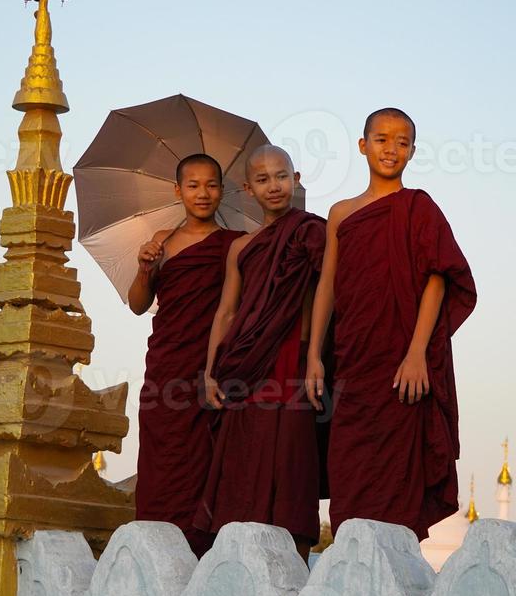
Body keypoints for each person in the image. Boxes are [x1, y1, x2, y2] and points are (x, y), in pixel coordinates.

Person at [306, 108, 476, 542]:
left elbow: (437, 278)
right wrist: (313, 357)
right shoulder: (341, 213)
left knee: (396, 480)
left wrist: (418, 353)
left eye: (402, 142)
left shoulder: (418, 207)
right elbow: (327, 285)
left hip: (401, 365)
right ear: (363, 146)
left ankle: (394, 572)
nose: (391, 149)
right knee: (349, 468)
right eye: (382, 139)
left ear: (413, 152)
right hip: (354, 362)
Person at [194, 145, 326, 561]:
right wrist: (210, 372)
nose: (275, 186)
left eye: (282, 176)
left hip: (292, 362)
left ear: (297, 178)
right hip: (244, 369)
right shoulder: (242, 247)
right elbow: (227, 311)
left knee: (290, 463)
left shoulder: (311, 232)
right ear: (248, 189)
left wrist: (316, 357)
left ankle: (293, 569)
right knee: (244, 464)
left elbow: (328, 293)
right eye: (264, 180)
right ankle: (237, 564)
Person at [128, 153, 242, 557]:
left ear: (222, 191)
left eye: (211, 185)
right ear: (178, 191)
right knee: (162, 458)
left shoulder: (236, 243)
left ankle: (203, 553)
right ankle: (155, 554)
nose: (203, 193)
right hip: (165, 364)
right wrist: (145, 268)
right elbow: (138, 305)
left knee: (205, 463)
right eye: (193, 185)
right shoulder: (162, 240)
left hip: (211, 369)